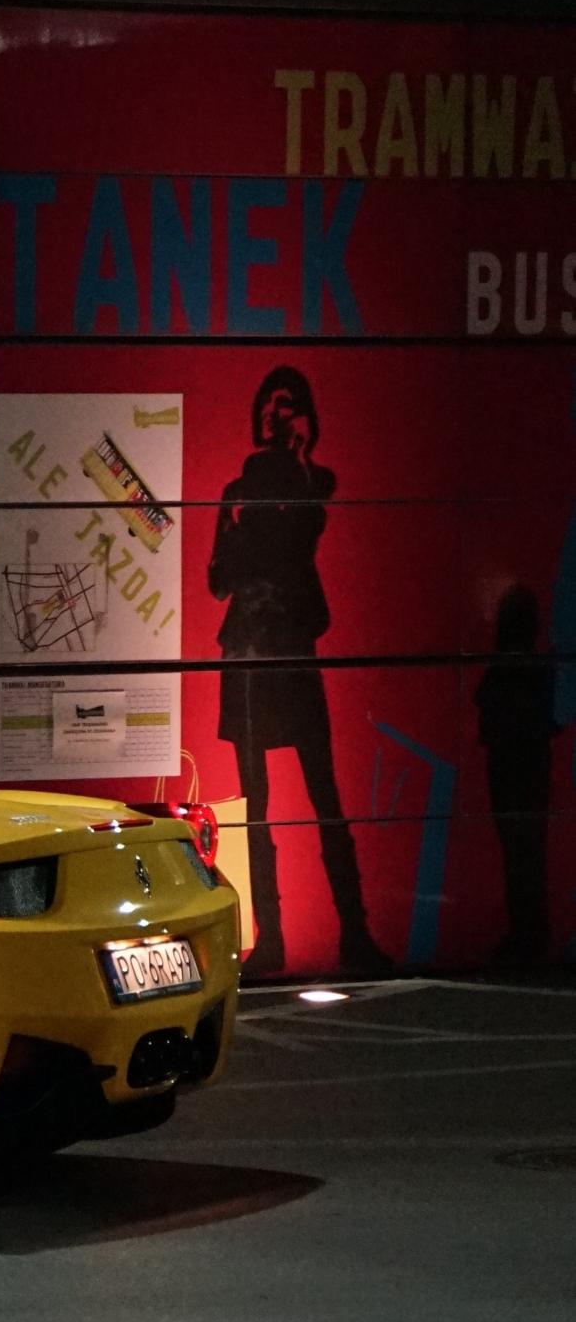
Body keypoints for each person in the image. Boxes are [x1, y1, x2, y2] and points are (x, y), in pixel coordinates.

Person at [207, 366, 389, 975]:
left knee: (324, 795)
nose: (274, 416)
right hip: (249, 660)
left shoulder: (308, 483)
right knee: (258, 805)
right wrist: (236, 527)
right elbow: (217, 580)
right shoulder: (238, 491)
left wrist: (298, 460)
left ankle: (354, 933)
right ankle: (274, 936)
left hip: (288, 654)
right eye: (268, 405)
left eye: (287, 406)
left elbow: (308, 522)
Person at [474, 584, 560, 962]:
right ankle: (532, 932)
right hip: (531, 769)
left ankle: (525, 933)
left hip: (508, 770)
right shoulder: (538, 670)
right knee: (530, 852)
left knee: (517, 853)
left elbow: (486, 714)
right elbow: (549, 722)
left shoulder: (503, 670)